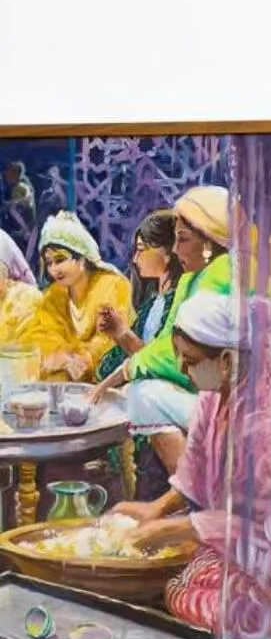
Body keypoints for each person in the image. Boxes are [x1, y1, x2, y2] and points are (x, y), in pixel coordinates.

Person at [119, 289, 271, 639]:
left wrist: (173, 530)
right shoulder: (214, 395)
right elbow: (194, 468)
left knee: (195, 598)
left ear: (226, 360)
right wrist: (155, 510)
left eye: (190, 360)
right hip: (236, 545)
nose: (180, 368)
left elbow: (265, 526)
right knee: (181, 584)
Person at [94, 185, 231, 473]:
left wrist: (122, 373)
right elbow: (165, 346)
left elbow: (173, 354)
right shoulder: (188, 281)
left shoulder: (222, 274)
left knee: (142, 395)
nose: (176, 249)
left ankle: (192, 487)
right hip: (202, 394)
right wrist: (107, 380)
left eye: (182, 240)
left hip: (226, 402)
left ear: (208, 242)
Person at [25, 213, 131, 381]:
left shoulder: (112, 285)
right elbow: (42, 337)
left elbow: (109, 340)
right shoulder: (54, 294)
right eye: (49, 262)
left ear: (82, 257)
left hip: (110, 377)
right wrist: (61, 358)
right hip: (65, 377)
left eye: (60, 260)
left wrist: (80, 359)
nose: (54, 270)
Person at [94, 211, 178, 366]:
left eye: (141, 249)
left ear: (167, 252)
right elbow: (109, 366)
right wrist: (116, 332)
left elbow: (159, 365)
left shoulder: (178, 304)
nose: (135, 259)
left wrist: (121, 332)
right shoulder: (152, 303)